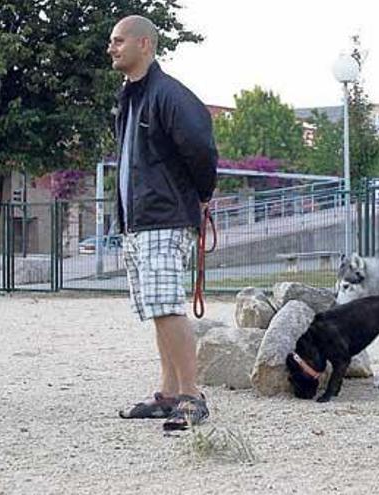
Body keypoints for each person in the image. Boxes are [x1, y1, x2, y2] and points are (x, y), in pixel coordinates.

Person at [108, 15, 218, 431]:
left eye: (119, 41)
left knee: (168, 308)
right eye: (111, 42)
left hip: (163, 219)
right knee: (157, 309)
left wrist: (202, 195)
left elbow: (202, 151)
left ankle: (192, 396)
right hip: (138, 222)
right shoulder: (130, 97)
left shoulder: (170, 95)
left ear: (144, 45)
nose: (111, 48)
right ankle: (169, 393)